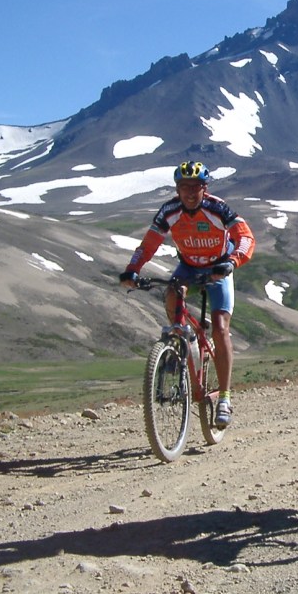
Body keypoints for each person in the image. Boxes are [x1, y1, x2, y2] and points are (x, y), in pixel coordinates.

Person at [119, 161, 255, 427]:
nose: (190, 193)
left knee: (220, 328)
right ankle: (181, 338)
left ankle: (225, 398)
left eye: (195, 187)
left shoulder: (217, 208)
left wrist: (232, 262)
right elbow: (148, 244)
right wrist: (132, 270)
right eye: (184, 187)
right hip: (189, 267)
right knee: (172, 292)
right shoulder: (169, 211)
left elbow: (245, 237)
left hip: (217, 269)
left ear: (205, 188)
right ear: (177, 190)